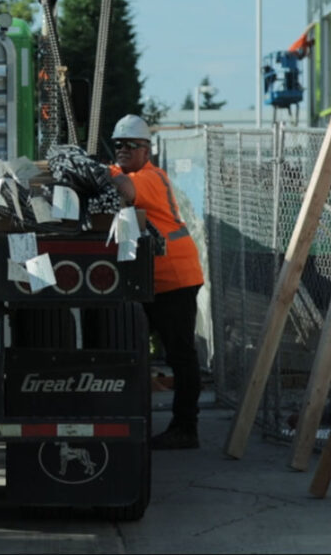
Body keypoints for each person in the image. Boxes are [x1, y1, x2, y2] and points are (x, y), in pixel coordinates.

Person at [108, 114, 205, 450]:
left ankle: (185, 428)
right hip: (152, 281)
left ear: (146, 150)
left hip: (175, 278)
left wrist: (102, 178)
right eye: (117, 144)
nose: (122, 150)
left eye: (130, 145)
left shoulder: (148, 177)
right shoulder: (124, 170)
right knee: (136, 350)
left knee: (180, 356)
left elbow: (124, 188)